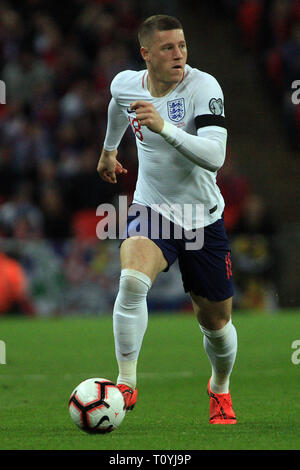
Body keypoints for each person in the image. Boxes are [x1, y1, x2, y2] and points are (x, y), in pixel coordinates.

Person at [97, 15, 237, 424]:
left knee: (216, 324)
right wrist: (109, 149)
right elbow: (118, 105)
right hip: (152, 209)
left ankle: (220, 388)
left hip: (202, 218)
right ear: (146, 55)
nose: (179, 54)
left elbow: (216, 155)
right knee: (131, 279)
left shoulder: (203, 86)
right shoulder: (126, 83)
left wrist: (164, 128)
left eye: (182, 45)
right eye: (167, 48)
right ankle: (125, 383)